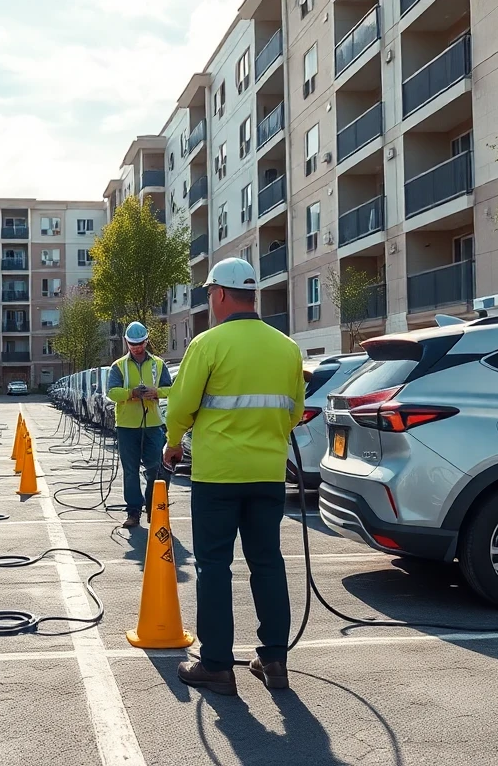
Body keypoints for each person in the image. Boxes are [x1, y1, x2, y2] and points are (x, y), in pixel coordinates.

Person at [162, 258, 305, 696]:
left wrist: (173, 441)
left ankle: (217, 666)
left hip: (218, 477)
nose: (210, 300)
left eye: (209, 293)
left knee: (214, 567)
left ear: (221, 294)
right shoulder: (287, 347)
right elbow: (294, 411)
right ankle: (274, 661)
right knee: (267, 562)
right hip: (267, 475)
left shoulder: (207, 344)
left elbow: (181, 406)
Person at [106, 321, 173, 529]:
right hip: (127, 426)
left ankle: (154, 508)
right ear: (126, 342)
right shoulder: (119, 366)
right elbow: (111, 392)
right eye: (133, 344)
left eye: (140, 343)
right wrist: (131, 393)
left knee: (155, 468)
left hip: (153, 425)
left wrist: (156, 392)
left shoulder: (158, 364)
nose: (137, 347)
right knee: (131, 470)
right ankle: (133, 511)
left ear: (146, 341)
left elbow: (171, 389)